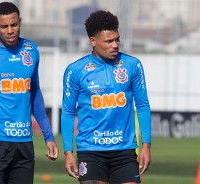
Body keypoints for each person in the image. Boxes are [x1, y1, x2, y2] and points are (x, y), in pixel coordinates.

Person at [0, 2, 59, 183]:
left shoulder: (31, 50)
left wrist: (49, 136)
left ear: (20, 22)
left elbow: (35, 95)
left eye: (14, 25)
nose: (10, 30)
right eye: (4, 26)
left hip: (24, 143)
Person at [61, 10, 151, 184]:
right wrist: (68, 151)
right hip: (90, 151)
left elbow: (143, 105)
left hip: (125, 151)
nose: (115, 45)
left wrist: (146, 145)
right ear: (93, 41)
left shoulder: (132, 65)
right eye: (109, 41)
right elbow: (67, 112)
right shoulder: (76, 71)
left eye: (117, 39)